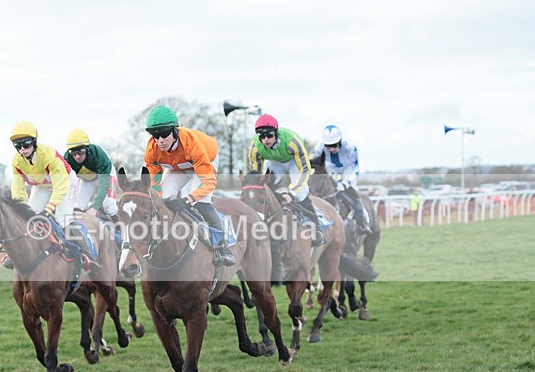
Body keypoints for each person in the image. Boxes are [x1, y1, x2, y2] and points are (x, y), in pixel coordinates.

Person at [143, 105, 236, 267]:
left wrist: (188, 200)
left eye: (164, 134)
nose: (160, 141)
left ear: (175, 130)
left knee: (200, 201)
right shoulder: (152, 149)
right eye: (154, 135)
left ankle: (222, 245)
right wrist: (157, 195)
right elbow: (154, 182)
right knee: (161, 199)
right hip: (178, 166)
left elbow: (209, 183)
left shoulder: (192, 144)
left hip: (205, 160)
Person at [4, 120, 82, 269]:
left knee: (62, 218)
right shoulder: (17, 162)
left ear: (34, 142)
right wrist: (20, 209)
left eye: (26, 144)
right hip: (42, 186)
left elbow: (60, 187)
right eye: (18, 145)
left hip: (65, 181)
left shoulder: (49, 156)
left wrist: (48, 210)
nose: (22, 149)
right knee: (28, 218)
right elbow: (18, 189)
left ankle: (84, 253)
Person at [248, 113, 325, 247]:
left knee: (300, 193)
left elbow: (304, 170)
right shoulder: (255, 147)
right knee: (268, 190)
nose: (266, 139)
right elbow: (257, 175)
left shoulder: (292, 142)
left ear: (276, 133)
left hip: (293, 162)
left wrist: (292, 193)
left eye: (269, 135)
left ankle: (317, 228)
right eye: (261, 136)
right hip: (275, 162)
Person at [310, 124, 371, 233]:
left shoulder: (350, 147)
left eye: (334, 145)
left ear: (340, 141)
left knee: (349, 191)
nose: (331, 149)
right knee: (327, 186)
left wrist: (345, 183)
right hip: (332, 166)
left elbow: (355, 170)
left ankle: (363, 221)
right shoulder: (319, 148)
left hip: (348, 168)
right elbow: (316, 165)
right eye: (328, 146)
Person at [63, 128, 118, 222]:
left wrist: (95, 207)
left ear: (87, 149)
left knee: (109, 205)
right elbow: (67, 184)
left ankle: (120, 231)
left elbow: (104, 186)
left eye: (80, 152)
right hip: (87, 179)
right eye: (73, 152)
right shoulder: (67, 159)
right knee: (79, 206)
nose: (77, 156)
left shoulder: (99, 154)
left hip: (105, 176)